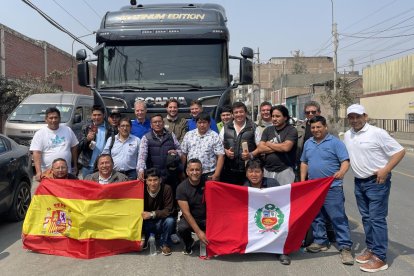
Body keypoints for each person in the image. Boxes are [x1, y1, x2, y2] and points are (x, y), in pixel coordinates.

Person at [343, 104, 405, 273]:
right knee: (367, 218)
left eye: (358, 116)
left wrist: (386, 169)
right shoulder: (348, 135)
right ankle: (371, 249)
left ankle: (380, 257)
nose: (355, 120)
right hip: (359, 182)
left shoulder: (377, 133)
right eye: (351, 117)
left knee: (377, 219)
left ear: (365, 116)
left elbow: (399, 151)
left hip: (377, 182)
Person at [300, 116, 354, 266]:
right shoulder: (308, 143)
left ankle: (345, 247)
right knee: (317, 216)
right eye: (313, 128)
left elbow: (345, 161)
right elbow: (304, 162)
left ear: (325, 127)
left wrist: (342, 172)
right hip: (314, 188)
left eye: (318, 127)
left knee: (337, 217)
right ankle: (320, 241)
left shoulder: (335, 143)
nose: (316, 130)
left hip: (332, 187)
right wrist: (303, 181)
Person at [243, 159, 291, 265]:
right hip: (256, 217)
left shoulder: (272, 183)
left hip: (273, 215)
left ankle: (282, 252)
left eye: (257, 171)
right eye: (250, 171)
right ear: (246, 174)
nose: (254, 175)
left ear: (262, 173)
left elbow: (283, 202)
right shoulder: (244, 187)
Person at [30, 107, 79, 181]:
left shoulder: (67, 130)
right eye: (51, 118)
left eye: (56, 117)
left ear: (59, 119)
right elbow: (36, 153)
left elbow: (74, 147)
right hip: (48, 174)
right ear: (46, 119)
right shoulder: (40, 134)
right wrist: (38, 172)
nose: (54, 120)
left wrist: (75, 165)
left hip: (66, 173)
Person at [220, 102, 261, 185]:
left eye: (241, 112)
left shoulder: (254, 127)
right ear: (232, 114)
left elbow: (260, 147)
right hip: (229, 170)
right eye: (236, 112)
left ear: (245, 113)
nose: (239, 114)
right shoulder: (225, 127)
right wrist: (226, 151)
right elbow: (218, 145)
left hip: (248, 170)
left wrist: (250, 155)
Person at [257, 105, 298, 185]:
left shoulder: (291, 130)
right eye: (273, 116)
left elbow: (286, 147)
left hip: (285, 171)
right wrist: (280, 146)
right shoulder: (268, 130)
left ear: (285, 117)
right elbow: (261, 148)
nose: (274, 119)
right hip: (267, 170)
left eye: (278, 116)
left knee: (283, 196)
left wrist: (268, 143)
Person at [137, 114, 182, 185]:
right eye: (155, 122)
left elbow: (180, 150)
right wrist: (141, 169)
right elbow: (142, 156)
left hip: (170, 175)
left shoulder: (171, 135)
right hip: (154, 176)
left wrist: (176, 152)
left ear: (163, 123)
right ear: (151, 125)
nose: (157, 124)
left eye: (159, 122)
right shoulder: (146, 138)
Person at [176, 159, 208, 255]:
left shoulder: (209, 184)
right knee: (181, 227)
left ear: (202, 171)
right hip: (192, 218)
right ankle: (189, 242)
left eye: (197, 170)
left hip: (208, 218)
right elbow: (186, 213)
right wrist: (199, 232)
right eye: (192, 170)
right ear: (187, 171)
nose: (195, 172)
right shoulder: (181, 188)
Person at [181, 113, 224, 181]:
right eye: (199, 122)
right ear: (196, 123)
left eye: (204, 122)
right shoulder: (189, 135)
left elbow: (220, 156)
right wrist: (182, 171)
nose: (202, 125)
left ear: (209, 123)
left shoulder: (214, 136)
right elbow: (183, 154)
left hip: (209, 174)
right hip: (192, 173)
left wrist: (217, 174)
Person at [141, 168, 175, 256]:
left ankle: (165, 243)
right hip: (146, 223)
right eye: (150, 180)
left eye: (155, 180)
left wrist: (152, 214)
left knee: (170, 221)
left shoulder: (167, 189)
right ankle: (144, 238)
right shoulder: (141, 190)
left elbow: (169, 210)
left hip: (161, 221)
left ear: (160, 180)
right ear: (146, 181)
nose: (153, 183)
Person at [78, 105, 112, 178]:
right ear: (91, 116)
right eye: (94, 115)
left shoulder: (109, 128)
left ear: (104, 115)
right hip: (87, 165)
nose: (96, 117)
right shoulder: (86, 127)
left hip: (104, 166)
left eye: (99, 115)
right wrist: (87, 139)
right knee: (87, 188)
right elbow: (79, 146)